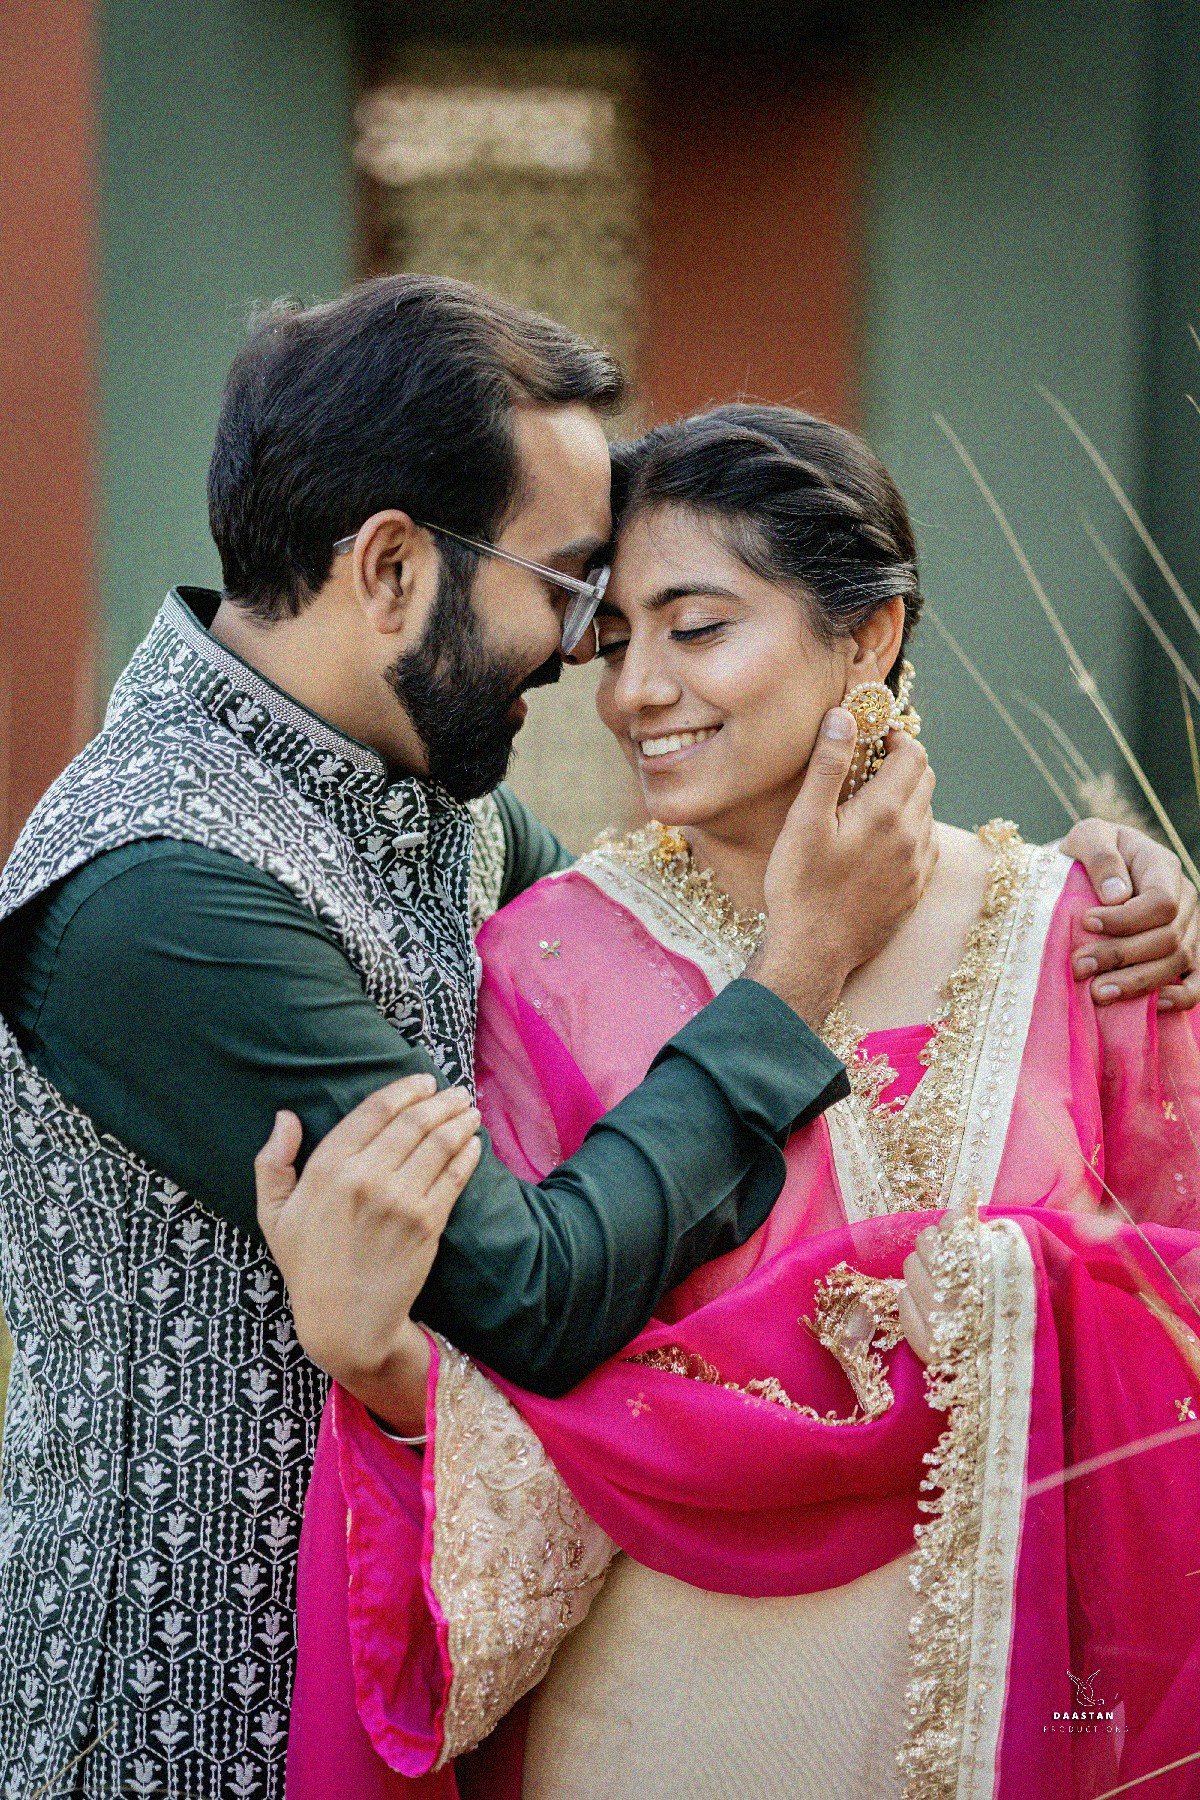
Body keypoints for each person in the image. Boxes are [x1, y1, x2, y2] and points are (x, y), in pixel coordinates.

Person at [0, 276, 965, 1799]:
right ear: (390, 569)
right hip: (183, 1725)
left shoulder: (416, 799)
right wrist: (801, 975)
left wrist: (1039, 896)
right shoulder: (161, 897)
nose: (591, 651)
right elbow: (529, 1292)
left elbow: (658, 937)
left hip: (405, 1694)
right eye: (571, 585)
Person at [270, 405, 1200, 1800]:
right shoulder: (547, 965)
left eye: (696, 628)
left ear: (869, 639)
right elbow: (531, 1384)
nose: (638, 689)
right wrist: (380, 1365)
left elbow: (1173, 1389)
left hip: (1024, 1734)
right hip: (667, 1724)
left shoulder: (1091, 936)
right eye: (616, 639)